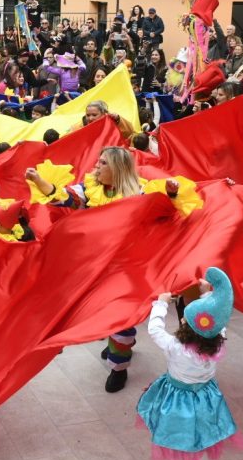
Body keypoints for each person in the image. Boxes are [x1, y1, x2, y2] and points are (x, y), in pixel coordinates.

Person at [26, 147, 192, 392]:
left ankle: (119, 368)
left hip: (128, 267)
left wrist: (171, 194)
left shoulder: (141, 192)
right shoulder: (90, 187)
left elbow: (168, 210)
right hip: (96, 264)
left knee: (120, 315)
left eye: (103, 163)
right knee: (102, 312)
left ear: (117, 169)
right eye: (98, 161)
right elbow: (68, 199)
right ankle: (120, 341)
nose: (96, 166)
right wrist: (39, 180)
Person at [139, 268, 243, 460]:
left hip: (179, 405)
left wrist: (160, 303)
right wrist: (209, 294)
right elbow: (216, 321)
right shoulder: (217, 339)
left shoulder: (176, 346)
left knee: (178, 457)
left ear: (186, 324)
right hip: (207, 401)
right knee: (208, 453)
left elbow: (154, 330)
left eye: (185, 316)